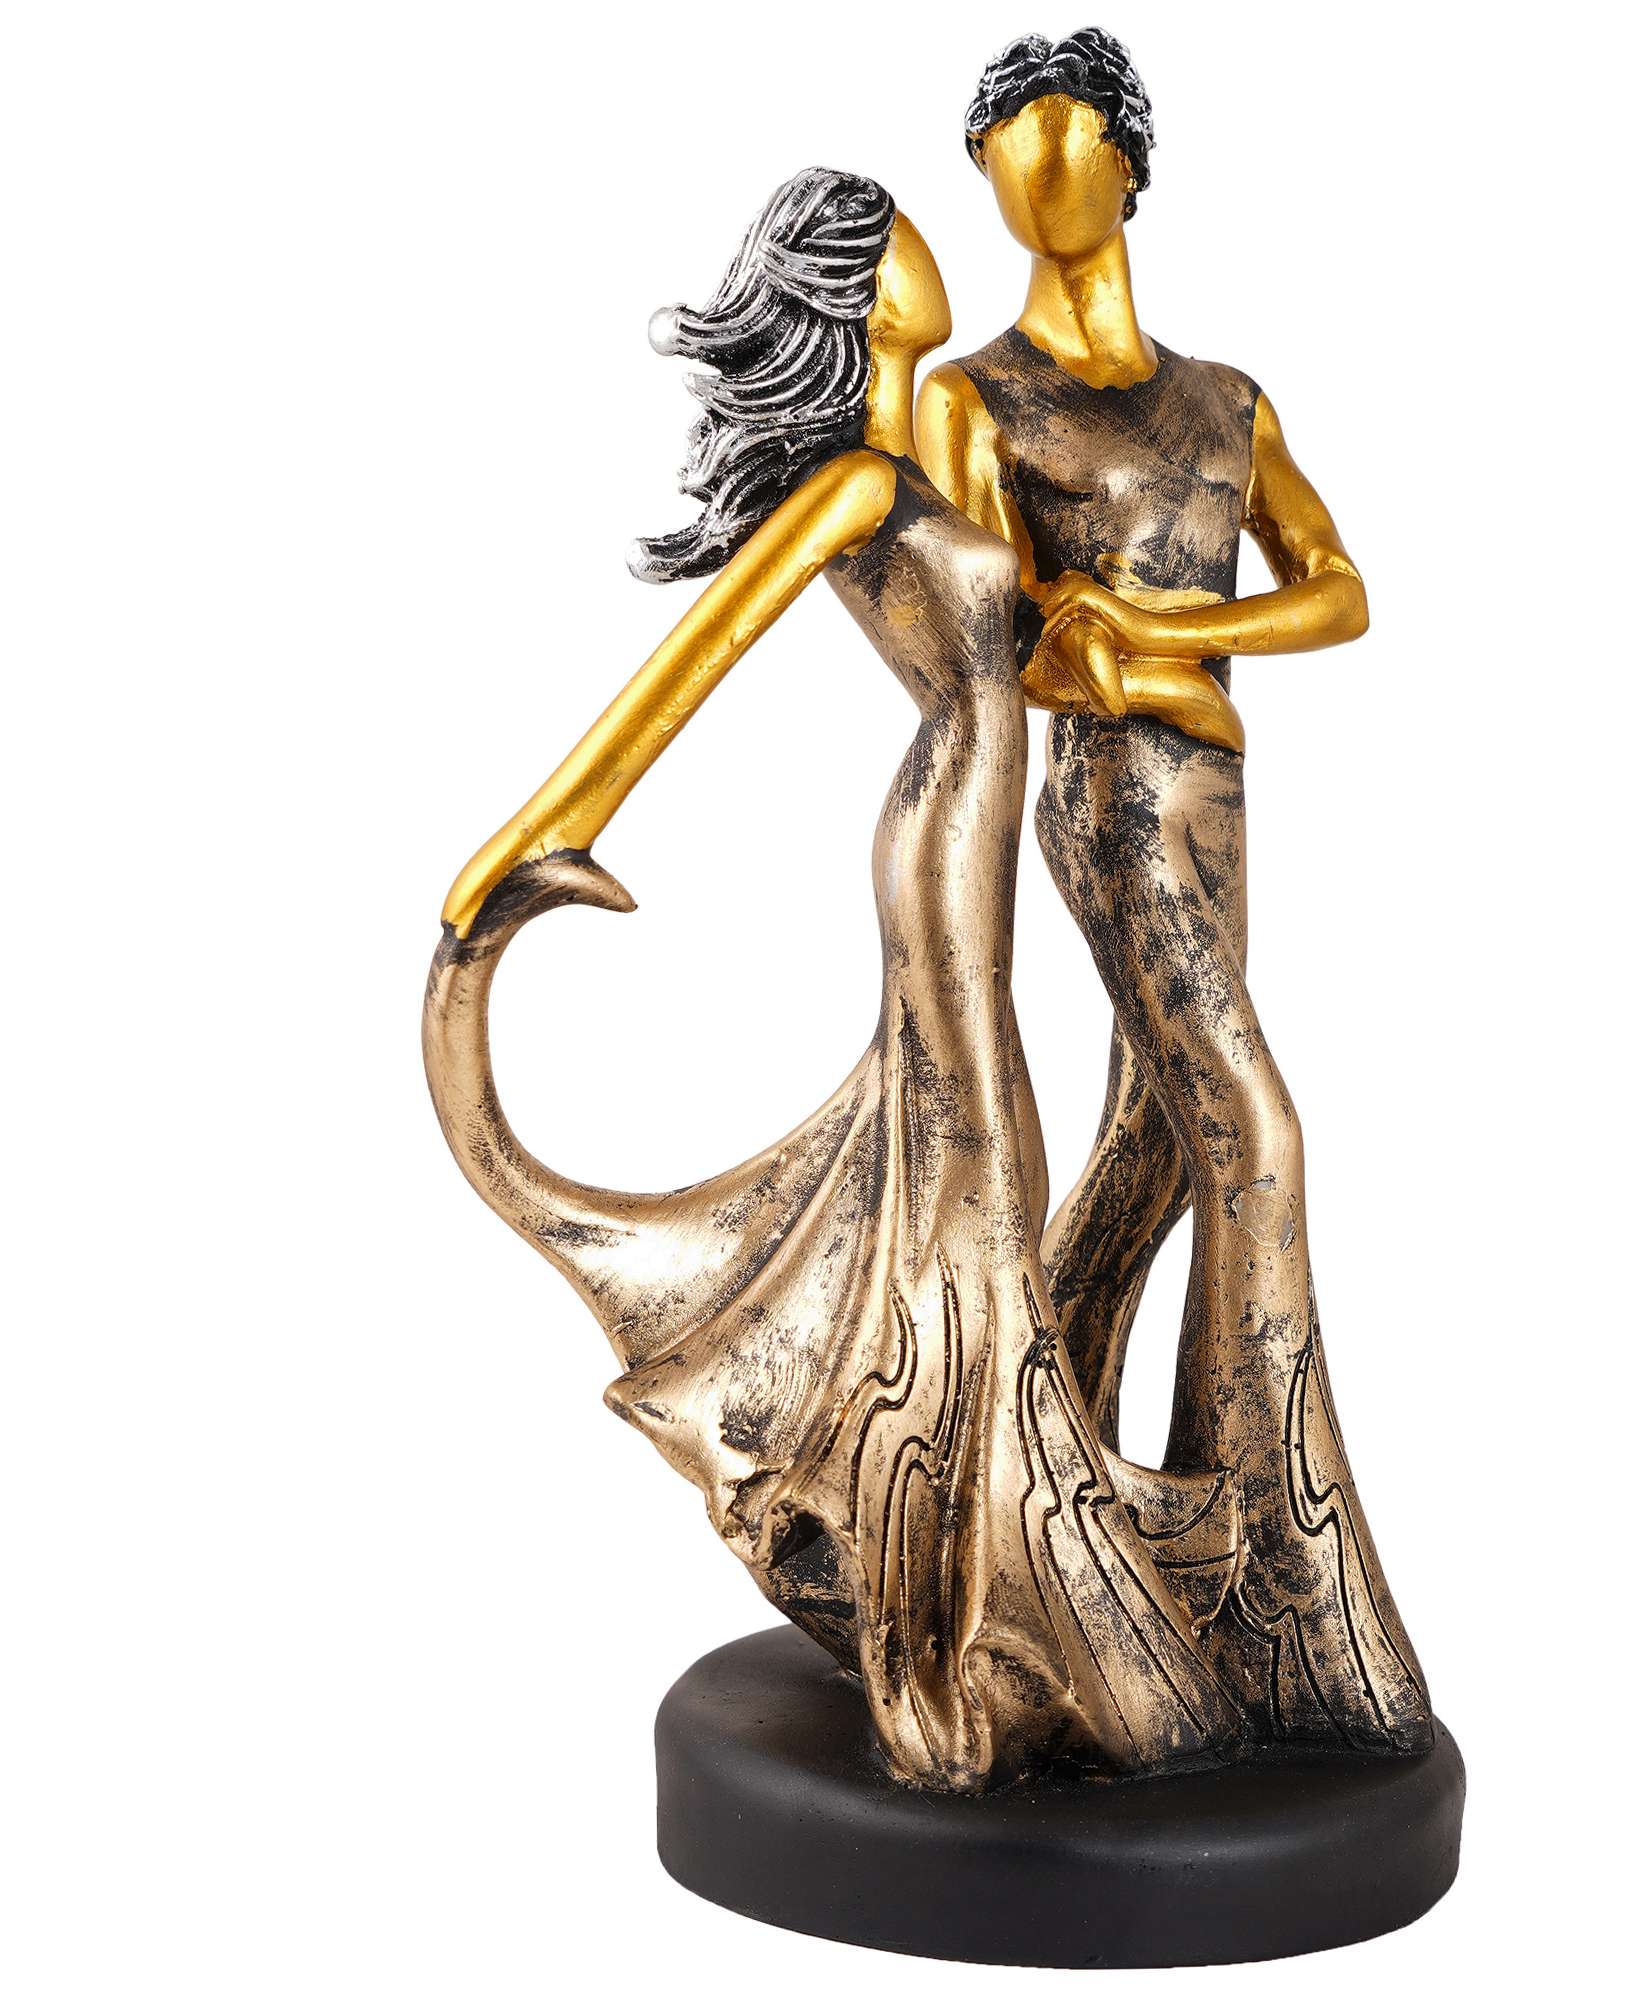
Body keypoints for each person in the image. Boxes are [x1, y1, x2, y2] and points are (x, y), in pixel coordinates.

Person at [422, 168, 1237, 1792]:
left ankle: (973, 1563)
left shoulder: (915, 453)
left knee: (980, 1186)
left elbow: (1027, 636)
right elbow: (696, 654)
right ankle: (950, 1632)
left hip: (983, 825)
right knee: (977, 1191)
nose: (931, 239)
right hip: (941, 837)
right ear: (858, 289)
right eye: (896, 234)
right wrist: (537, 836)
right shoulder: (857, 482)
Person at [919, 31, 1433, 1753]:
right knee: (1256, 1132)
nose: (1036, 166)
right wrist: (1129, 669)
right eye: (1004, 141)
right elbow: (987, 652)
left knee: (1157, 1147)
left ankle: (1022, 1489)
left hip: (1220, 794)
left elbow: (1340, 589)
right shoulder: (975, 400)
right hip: (1113, 803)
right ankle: (1290, 1584)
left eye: (1066, 134)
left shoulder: (1226, 402)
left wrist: (1155, 634)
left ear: (1132, 163)